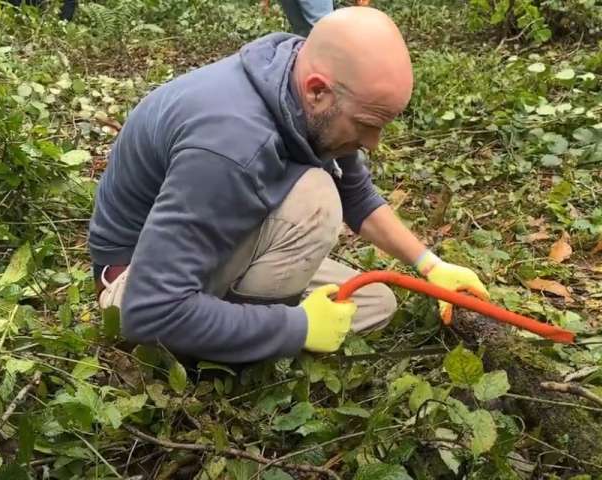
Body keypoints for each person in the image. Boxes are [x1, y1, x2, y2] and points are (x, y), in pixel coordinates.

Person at [88, 7, 489, 364]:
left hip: (208, 246)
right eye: (367, 125)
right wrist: (296, 328)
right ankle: (231, 352)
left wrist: (430, 265)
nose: (372, 143)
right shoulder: (229, 148)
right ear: (317, 91)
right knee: (315, 198)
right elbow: (149, 311)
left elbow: (357, 195)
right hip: (135, 286)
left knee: (372, 304)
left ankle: (241, 324)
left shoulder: (299, 81)